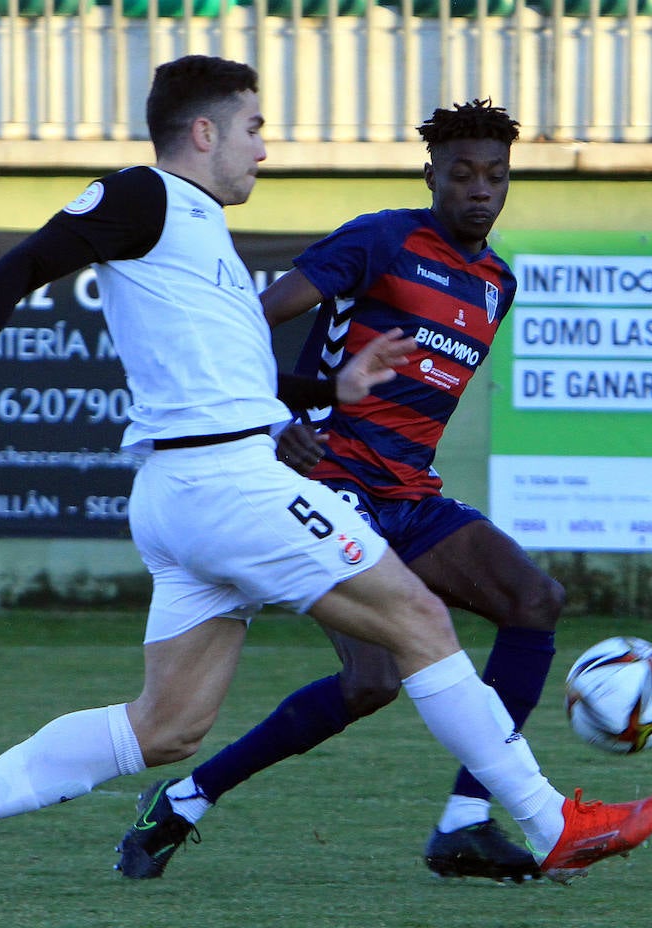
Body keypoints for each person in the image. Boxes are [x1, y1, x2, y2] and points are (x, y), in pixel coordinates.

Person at [0, 56, 652, 906]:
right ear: (206, 131)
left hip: (188, 494)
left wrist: (334, 389)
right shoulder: (141, 195)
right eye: (254, 128)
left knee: (168, 725)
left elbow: (237, 378)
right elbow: (20, 266)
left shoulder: (200, 229)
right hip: (227, 486)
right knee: (419, 618)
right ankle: (549, 825)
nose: (265, 147)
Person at [114, 100, 574, 885]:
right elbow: (249, 322)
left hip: (410, 494)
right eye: (460, 174)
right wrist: (272, 416)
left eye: (494, 176)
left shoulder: (498, 282)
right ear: (430, 174)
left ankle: (465, 820)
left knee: (535, 600)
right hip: (328, 482)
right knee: (371, 682)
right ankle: (186, 798)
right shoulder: (383, 239)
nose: (479, 191)